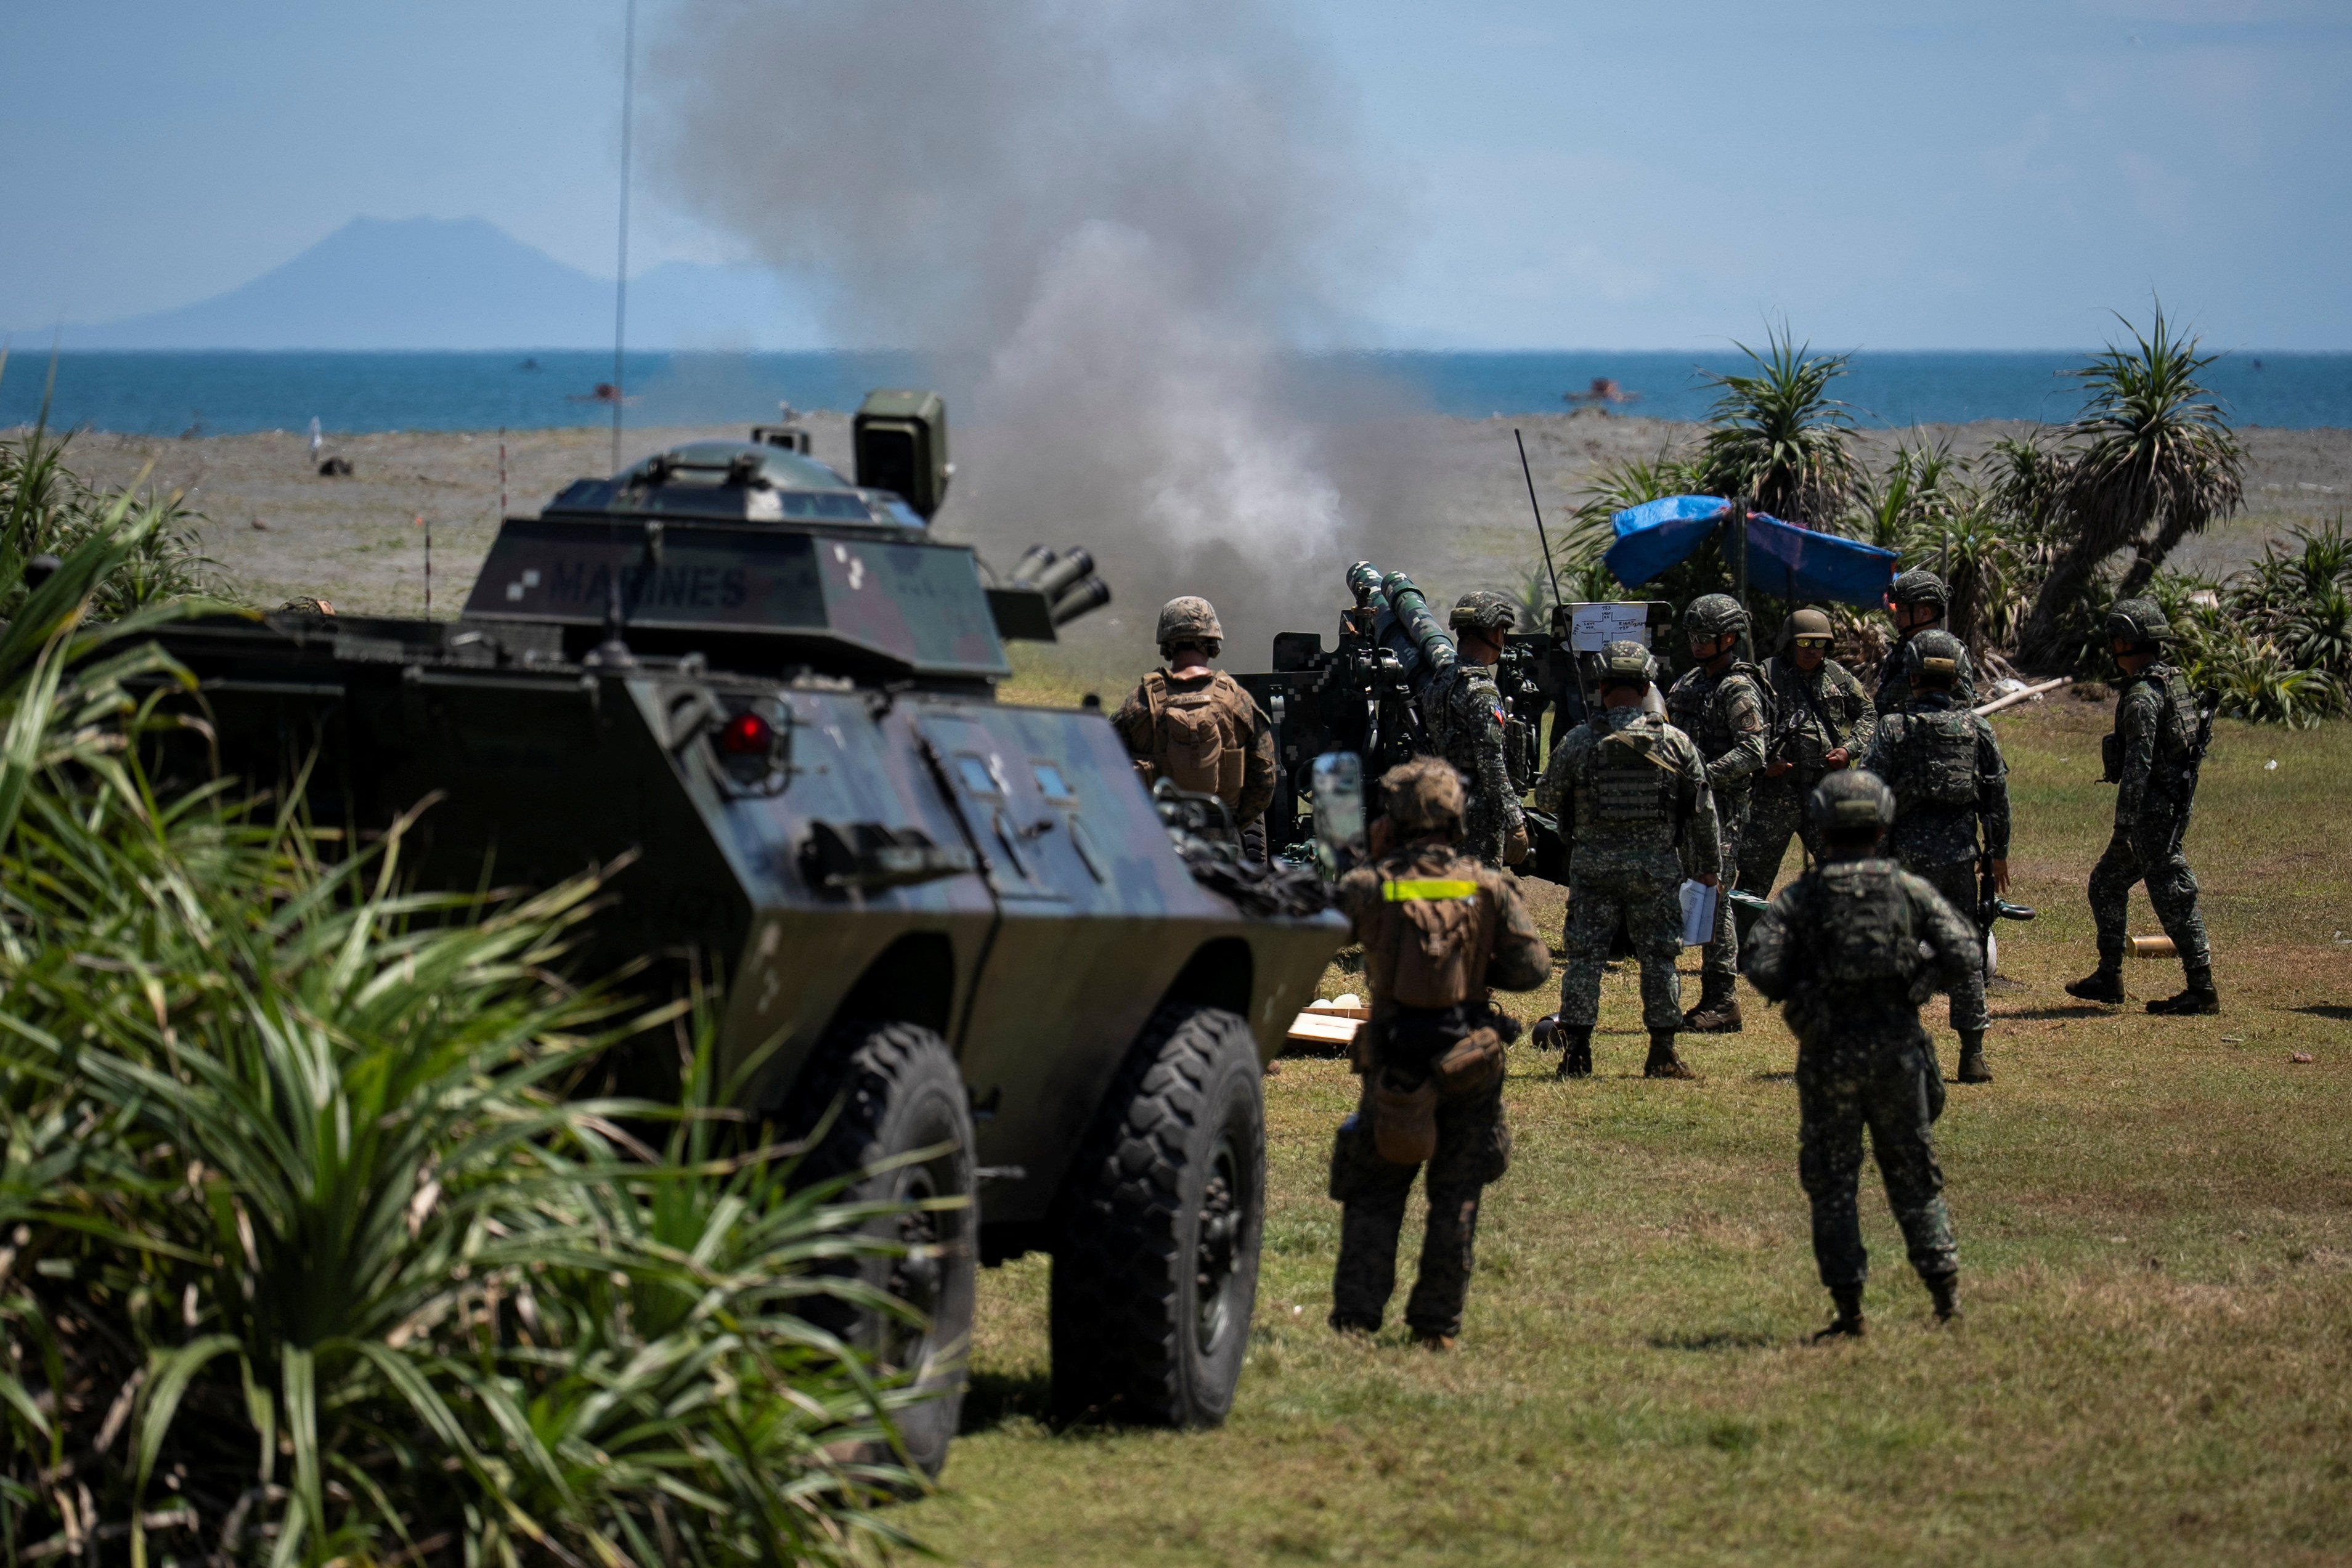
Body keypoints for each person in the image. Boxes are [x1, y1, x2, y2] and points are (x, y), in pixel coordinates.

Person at [1741, 771, 1978, 1339]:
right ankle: (1944, 1297)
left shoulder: (1803, 896)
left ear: (1822, 827)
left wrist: (1805, 994)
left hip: (1828, 1054)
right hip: (1898, 1050)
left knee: (1833, 1183)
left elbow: (1760, 961)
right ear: (1881, 825)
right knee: (1914, 1175)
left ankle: (1849, 1312)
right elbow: (1965, 949)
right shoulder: (1906, 888)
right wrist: (1920, 983)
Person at [1327, 758, 1552, 1347]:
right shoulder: (1487, 886)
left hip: (1394, 1057)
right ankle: (1435, 1326)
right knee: (1456, 1196)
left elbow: (1320, 933)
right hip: (1470, 1060)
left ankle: (1356, 1317)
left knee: (1375, 1189)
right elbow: (1532, 970)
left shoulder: (1371, 886)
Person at [1531, 640, 1720, 1079]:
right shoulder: (1675, 744)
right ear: (1646, 686)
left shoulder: (1579, 741)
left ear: (1601, 687)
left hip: (1593, 871)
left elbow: (1545, 798)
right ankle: (1662, 1054)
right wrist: (1709, 868)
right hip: (1655, 873)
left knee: (1584, 959)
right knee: (1659, 958)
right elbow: (1703, 811)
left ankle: (1577, 1055)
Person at [1862, 630, 2010, 1084]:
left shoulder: (1893, 727)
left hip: (1904, 860)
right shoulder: (1977, 727)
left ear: (1912, 676)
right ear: (1957, 677)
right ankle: (1972, 1055)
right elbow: (1996, 795)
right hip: (1959, 857)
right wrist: (1998, 854)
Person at [2065, 598, 2218, 1014]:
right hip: (2167, 806)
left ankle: (2202, 989)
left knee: (2172, 892)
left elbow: (2138, 766)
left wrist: (2124, 825)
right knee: (2106, 882)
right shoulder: (2172, 683)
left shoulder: (2142, 696)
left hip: (2151, 815)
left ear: (2123, 642)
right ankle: (2109, 976)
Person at [1664, 593, 1767, 1032]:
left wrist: (1702, 776)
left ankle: (1722, 1000)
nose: (1697, 644)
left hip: (1721, 809)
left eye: (1705, 637)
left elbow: (1753, 751)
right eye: (1692, 636)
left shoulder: (1738, 688)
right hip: (1682, 807)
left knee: (1715, 895)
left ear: (1729, 638)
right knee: (1684, 891)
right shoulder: (1686, 683)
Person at [1737, 606, 1876, 922]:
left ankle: (1847, 934)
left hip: (1825, 789)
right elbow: (1742, 725)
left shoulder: (1838, 676)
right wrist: (1764, 761)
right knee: (1753, 875)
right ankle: (1745, 938)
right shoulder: (1765, 676)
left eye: (1819, 643)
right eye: (1803, 643)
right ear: (1789, 643)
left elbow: (1869, 714)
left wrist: (1850, 749)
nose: (1811, 650)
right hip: (1777, 792)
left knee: (1842, 869)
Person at [1113, 596, 1277, 859]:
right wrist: (1229, 825)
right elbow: (1264, 779)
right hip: (1221, 852)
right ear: (1212, 641)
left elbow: (1106, 767)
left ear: (1167, 644)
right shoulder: (1238, 701)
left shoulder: (1140, 702)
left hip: (1158, 849)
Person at [1419, 591, 1529, 868]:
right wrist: (1514, 823)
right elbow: (1491, 764)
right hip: (1475, 819)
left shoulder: (1440, 681)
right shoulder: (1481, 691)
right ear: (1496, 634)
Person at [1873, 570, 1979, 712]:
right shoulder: (1900, 650)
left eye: (1902, 611)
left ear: (1925, 613)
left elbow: (1960, 706)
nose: (1896, 618)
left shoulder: (1947, 652)